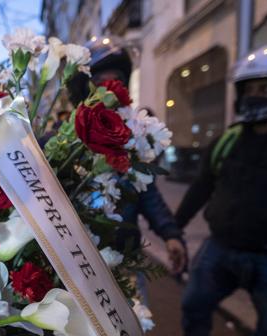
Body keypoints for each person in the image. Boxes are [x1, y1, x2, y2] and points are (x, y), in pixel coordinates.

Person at [165, 44, 267, 336]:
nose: (258, 96)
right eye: (252, 89)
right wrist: (173, 229)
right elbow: (201, 189)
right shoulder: (227, 141)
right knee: (195, 301)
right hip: (221, 247)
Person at [66, 36, 188, 276]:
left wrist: (170, 234)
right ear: (84, 90)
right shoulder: (62, 144)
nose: (111, 90)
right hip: (74, 261)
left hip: (124, 258)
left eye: (117, 82)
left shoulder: (131, 141)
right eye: (102, 83)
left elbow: (148, 193)